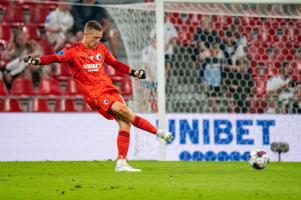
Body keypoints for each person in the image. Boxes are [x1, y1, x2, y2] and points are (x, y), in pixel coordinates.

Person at [24, 20, 173, 172]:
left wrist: (134, 72)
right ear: (86, 34)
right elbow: (54, 58)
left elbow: (115, 63)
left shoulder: (101, 48)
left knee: (125, 123)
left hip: (109, 89)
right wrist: (36, 60)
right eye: (95, 37)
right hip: (95, 94)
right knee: (124, 111)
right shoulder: (73, 51)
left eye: (100, 38)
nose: (98, 41)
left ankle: (121, 163)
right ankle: (159, 133)